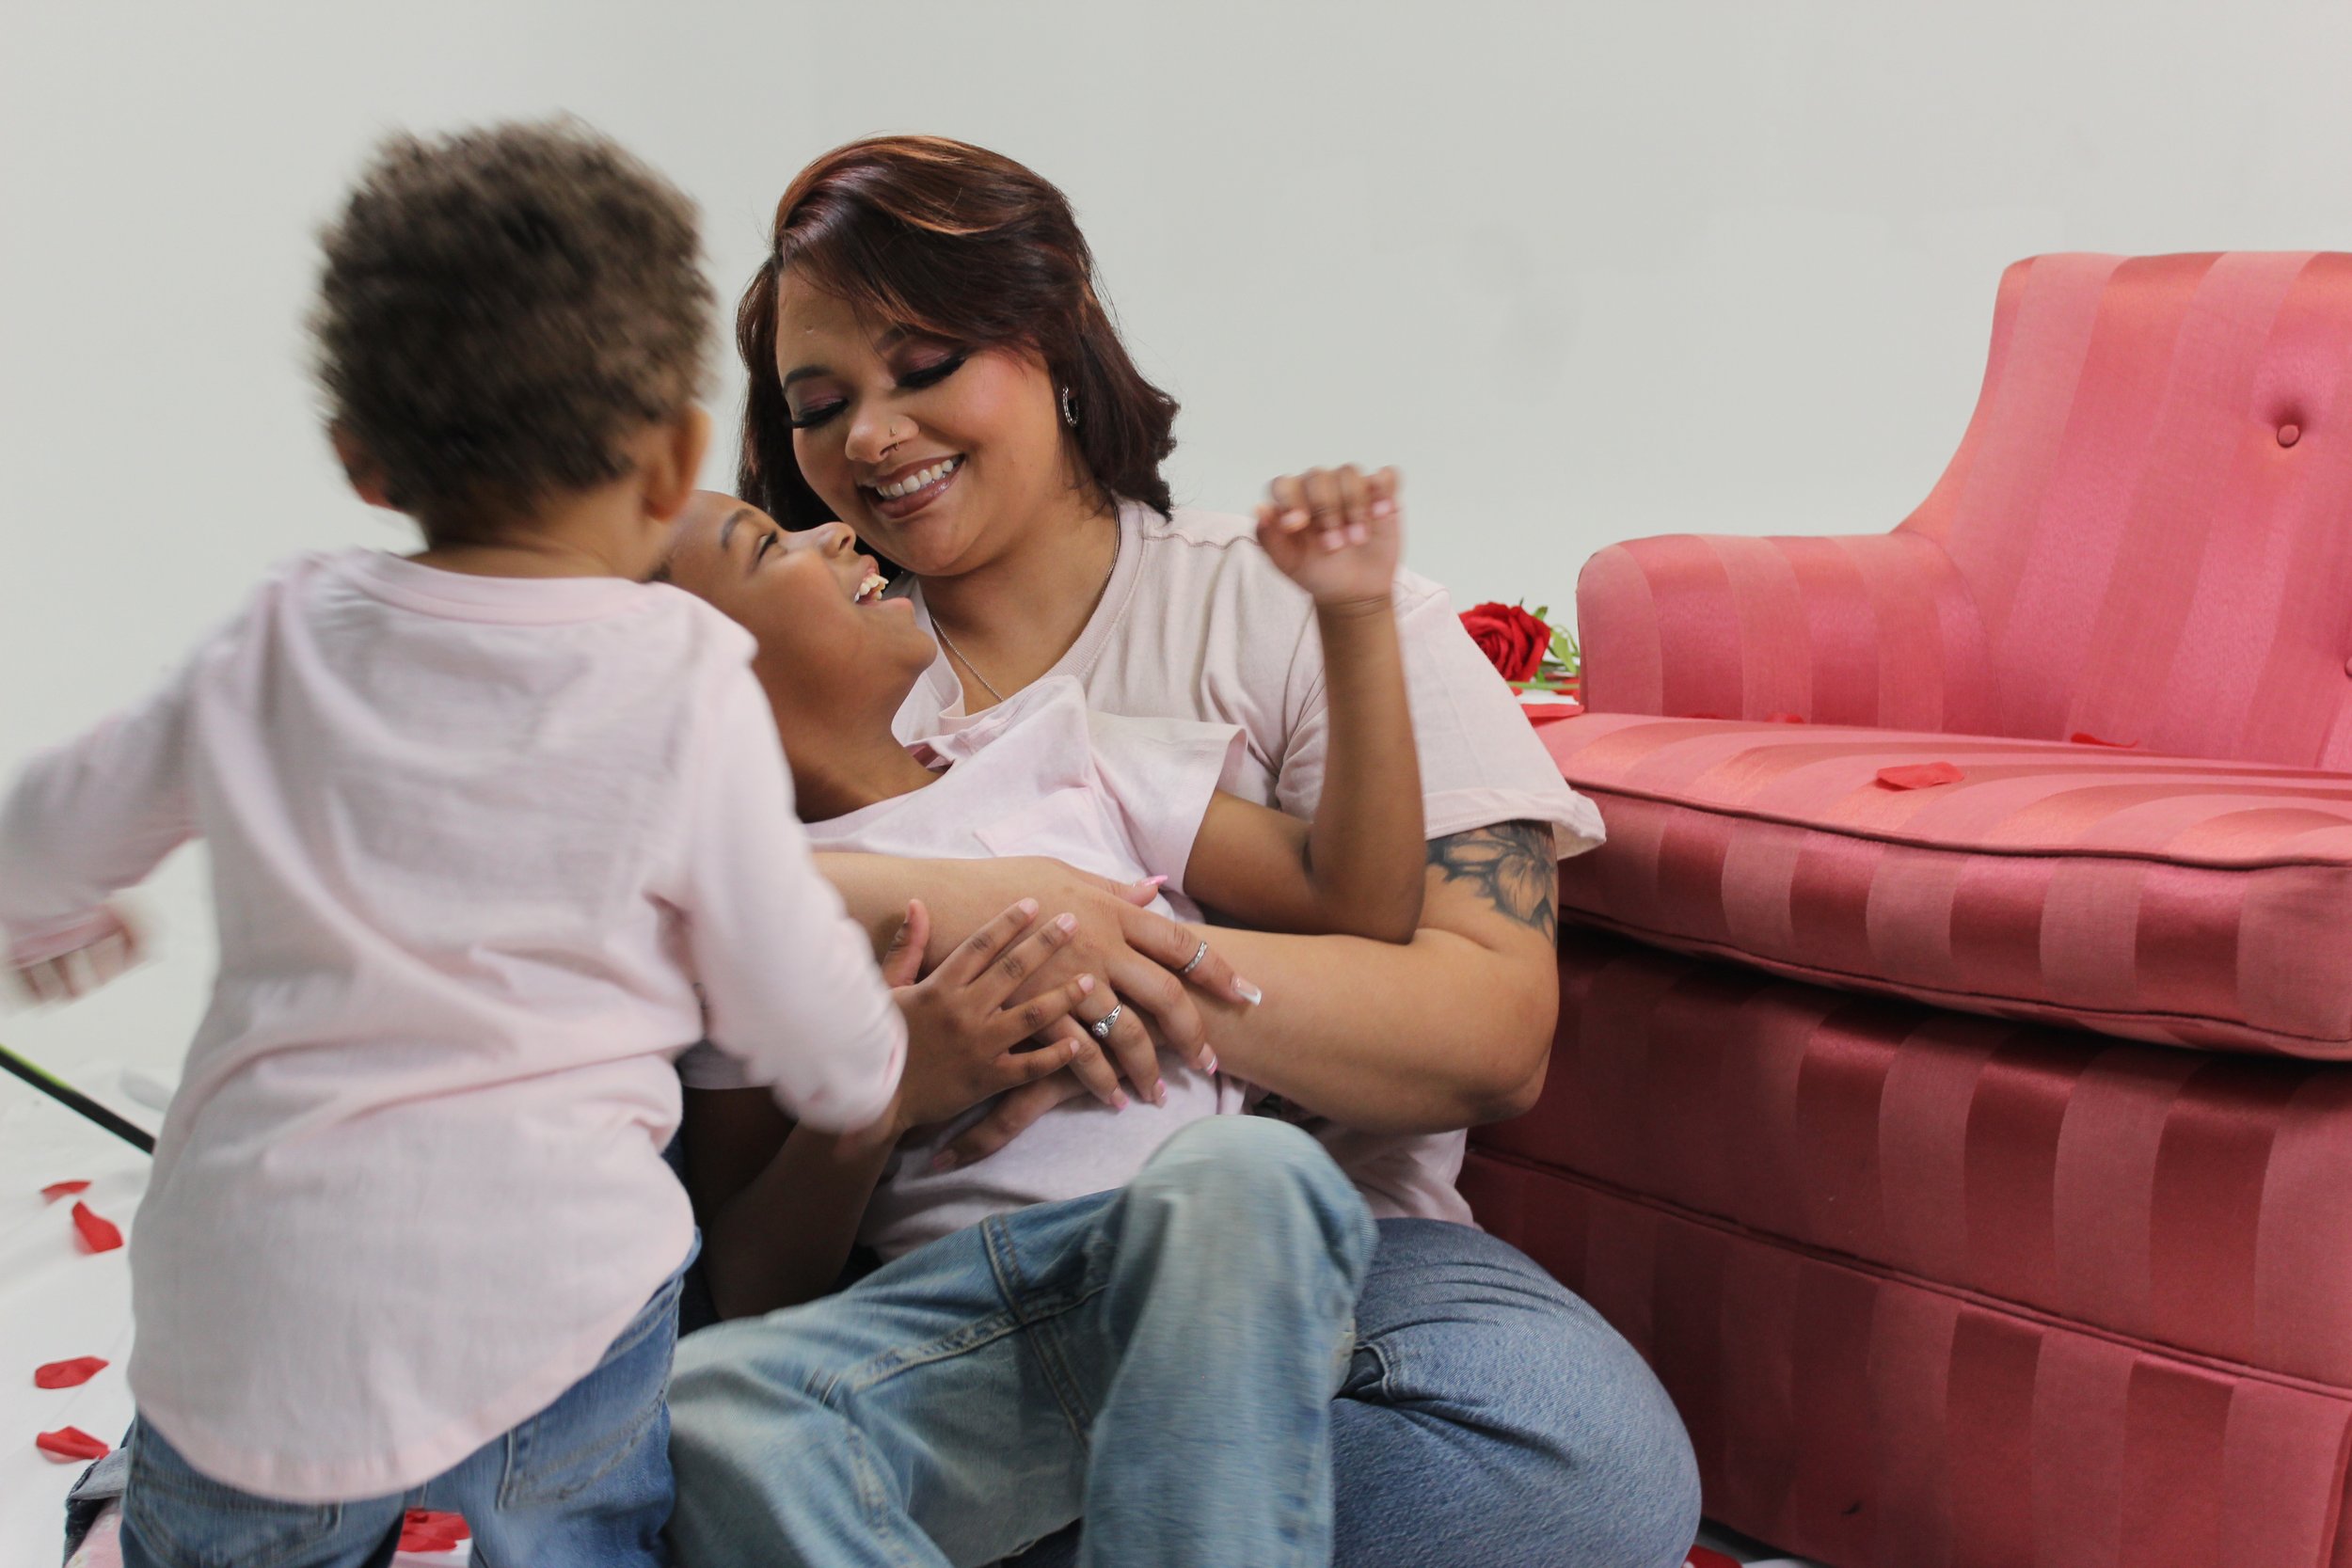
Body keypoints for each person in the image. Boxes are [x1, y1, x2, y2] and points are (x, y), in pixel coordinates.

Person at [1, 120, 1048, 1568]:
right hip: (548, 1321)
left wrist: (44, 920)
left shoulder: (277, 636)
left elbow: (47, 828)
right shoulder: (680, 677)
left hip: (248, 1315)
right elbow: (780, 971)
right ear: (680, 453)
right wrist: (863, 1061)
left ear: (361, 458)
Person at [681, 134, 1702, 1568]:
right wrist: (982, 936)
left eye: (925, 365)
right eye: (819, 404)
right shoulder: (771, 702)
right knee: (719, 1420)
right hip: (931, 1311)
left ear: (1052, 337)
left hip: (1344, 1263)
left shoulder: (1272, 625)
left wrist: (1126, 947)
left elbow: (1486, 1026)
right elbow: (638, 915)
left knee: (1571, 1462)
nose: (867, 438)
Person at [654, 474, 1415, 1564]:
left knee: (1250, 1173)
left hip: (1191, 1279)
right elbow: (757, 1287)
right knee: (709, 1408)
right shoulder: (747, 918)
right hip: (954, 1338)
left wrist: (1352, 613)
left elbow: (1361, 900)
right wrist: (881, 1097)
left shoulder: (1062, 749)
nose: (832, 531)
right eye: (766, 546)